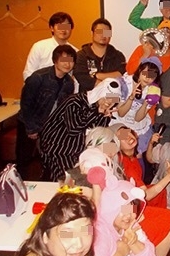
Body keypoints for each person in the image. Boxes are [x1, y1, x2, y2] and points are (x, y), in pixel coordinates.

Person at [39, 78, 121, 182]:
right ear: (99, 92)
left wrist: (103, 117)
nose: (109, 102)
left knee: (80, 181)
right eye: (106, 97)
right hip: (57, 148)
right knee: (66, 181)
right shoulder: (75, 102)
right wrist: (97, 113)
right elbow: (74, 129)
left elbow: (95, 134)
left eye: (113, 100)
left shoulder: (101, 110)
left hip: (77, 151)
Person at [16, 45, 76, 180]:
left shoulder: (69, 83)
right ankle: (20, 185)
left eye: (71, 61)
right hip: (29, 123)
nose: (67, 64)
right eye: (64, 60)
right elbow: (26, 104)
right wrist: (31, 128)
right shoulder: (38, 77)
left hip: (49, 127)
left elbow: (64, 108)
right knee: (24, 159)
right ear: (55, 61)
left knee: (47, 159)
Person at [93, 179, 155, 256]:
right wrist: (119, 254)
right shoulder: (98, 234)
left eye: (132, 210)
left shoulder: (130, 226)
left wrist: (134, 242)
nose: (128, 216)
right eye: (123, 210)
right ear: (110, 208)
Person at [112, 57, 162, 158]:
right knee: (120, 149)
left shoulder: (152, 90)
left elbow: (138, 118)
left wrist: (146, 102)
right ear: (140, 70)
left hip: (136, 124)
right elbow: (121, 113)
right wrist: (131, 97)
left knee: (137, 154)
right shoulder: (124, 84)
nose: (147, 78)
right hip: (120, 122)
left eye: (152, 76)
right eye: (145, 73)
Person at [73, 18, 126, 92]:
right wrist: (105, 87)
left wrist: (97, 75)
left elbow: (120, 74)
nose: (103, 35)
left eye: (106, 32)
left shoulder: (118, 55)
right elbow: (83, 78)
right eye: (99, 32)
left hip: (111, 96)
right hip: (88, 96)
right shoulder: (81, 55)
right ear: (92, 33)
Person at [23, 11, 78, 81]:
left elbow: (74, 77)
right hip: (40, 86)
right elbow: (28, 72)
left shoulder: (75, 51)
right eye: (60, 26)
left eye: (67, 26)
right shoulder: (39, 47)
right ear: (52, 28)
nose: (63, 29)